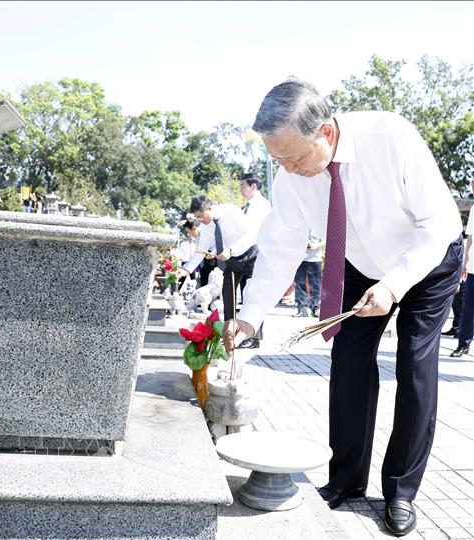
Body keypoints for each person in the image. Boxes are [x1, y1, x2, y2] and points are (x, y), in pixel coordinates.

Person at [223, 80, 462, 537]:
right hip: (359, 263)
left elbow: (440, 222)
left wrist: (394, 285)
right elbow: (283, 244)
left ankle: (401, 491)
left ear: (327, 134)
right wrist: (250, 316)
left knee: (414, 364)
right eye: (278, 160)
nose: (288, 169)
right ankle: (347, 480)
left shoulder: (390, 136)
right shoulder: (292, 171)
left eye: (294, 157)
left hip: (427, 260)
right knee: (349, 363)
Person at [189, 195, 259, 325]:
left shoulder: (231, 211)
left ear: (209, 208)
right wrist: (186, 269)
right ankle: (229, 331)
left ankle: (252, 337)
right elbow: (201, 248)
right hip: (232, 260)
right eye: (196, 217)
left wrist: (231, 250)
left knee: (251, 296)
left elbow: (250, 235)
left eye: (200, 216)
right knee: (228, 295)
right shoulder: (206, 224)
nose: (199, 220)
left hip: (251, 254)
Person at [238, 172, 272, 348]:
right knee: (246, 293)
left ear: (253, 186)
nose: (241, 189)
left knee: (253, 294)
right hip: (247, 254)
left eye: (243, 185)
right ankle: (246, 334)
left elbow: (254, 232)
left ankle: (253, 337)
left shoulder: (261, 205)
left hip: (257, 253)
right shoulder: (249, 206)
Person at [451, 182, 474, 357]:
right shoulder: (473, 209)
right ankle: (463, 344)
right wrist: (465, 263)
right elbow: (470, 238)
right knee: (468, 307)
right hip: (473, 267)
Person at [293, 230, 323, 317]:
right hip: (300, 259)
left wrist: (316, 245)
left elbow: (325, 238)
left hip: (315, 259)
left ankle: (315, 309)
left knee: (315, 286)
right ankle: (301, 310)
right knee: (299, 285)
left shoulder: (317, 225)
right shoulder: (300, 225)